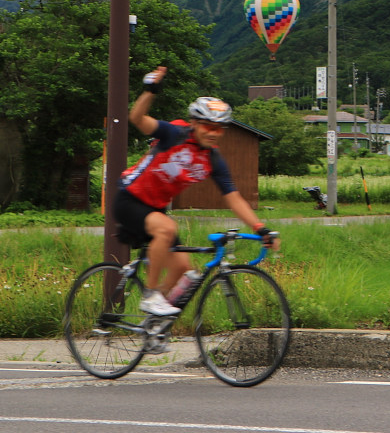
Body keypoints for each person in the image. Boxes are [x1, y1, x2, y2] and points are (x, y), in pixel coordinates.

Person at [118, 65, 278, 317]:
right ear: (194, 123)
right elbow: (137, 119)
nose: (214, 134)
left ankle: (153, 326)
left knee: (183, 268)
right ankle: (150, 296)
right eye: (208, 127)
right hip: (129, 198)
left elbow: (234, 198)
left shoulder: (212, 159)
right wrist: (150, 90)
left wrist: (261, 228)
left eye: (220, 129)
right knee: (167, 228)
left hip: (156, 208)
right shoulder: (174, 134)